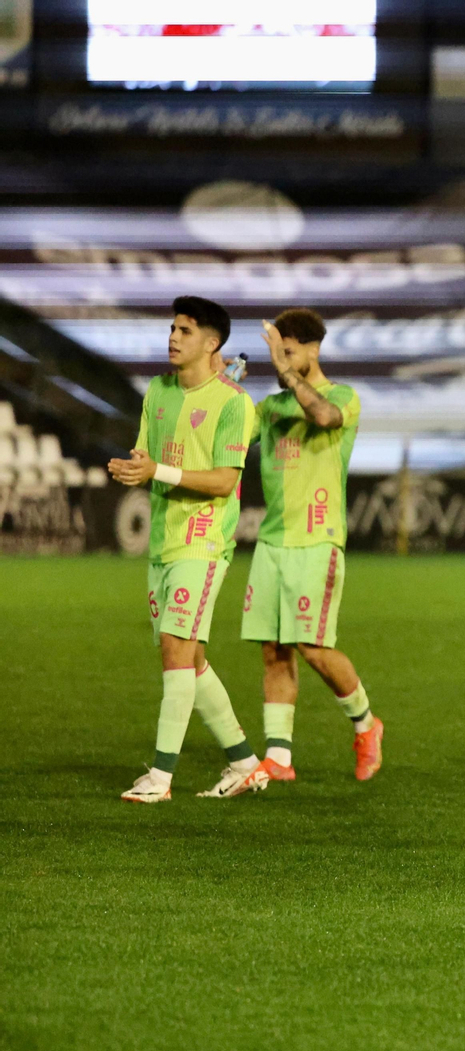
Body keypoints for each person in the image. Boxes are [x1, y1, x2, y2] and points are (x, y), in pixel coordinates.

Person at [112, 296, 267, 802]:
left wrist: (157, 471)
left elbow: (225, 481)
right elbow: (148, 451)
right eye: (172, 327)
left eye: (185, 329)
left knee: (176, 652)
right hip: (164, 540)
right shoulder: (158, 390)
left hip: (203, 542)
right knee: (190, 659)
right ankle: (245, 763)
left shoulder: (233, 403)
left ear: (212, 342)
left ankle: (160, 777)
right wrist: (139, 464)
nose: (173, 337)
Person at [240, 308, 382, 782]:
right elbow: (231, 440)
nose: (282, 361)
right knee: (273, 651)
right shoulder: (270, 408)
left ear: (314, 350)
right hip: (273, 541)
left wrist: (284, 374)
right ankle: (279, 758)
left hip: (318, 540)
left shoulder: (342, 397)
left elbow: (323, 416)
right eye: (278, 352)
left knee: (312, 646)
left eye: (290, 351)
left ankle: (366, 725)